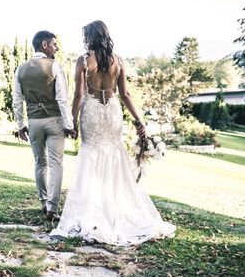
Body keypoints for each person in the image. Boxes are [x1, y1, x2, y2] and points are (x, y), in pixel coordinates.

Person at [50, 20, 175, 245]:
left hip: (92, 112)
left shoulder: (84, 60)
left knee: (90, 153)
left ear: (90, 37)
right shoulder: (119, 61)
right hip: (113, 112)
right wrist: (139, 120)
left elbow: (79, 95)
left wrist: (72, 122)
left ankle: (93, 210)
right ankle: (114, 208)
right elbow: (125, 94)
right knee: (115, 155)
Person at [13, 30, 76, 222]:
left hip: (34, 122)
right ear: (44, 45)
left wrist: (20, 124)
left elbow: (17, 101)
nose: (57, 48)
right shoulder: (54, 66)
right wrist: (70, 124)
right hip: (54, 120)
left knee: (40, 163)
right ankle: (52, 208)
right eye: (54, 44)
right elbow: (62, 99)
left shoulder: (20, 70)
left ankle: (43, 201)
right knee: (56, 164)